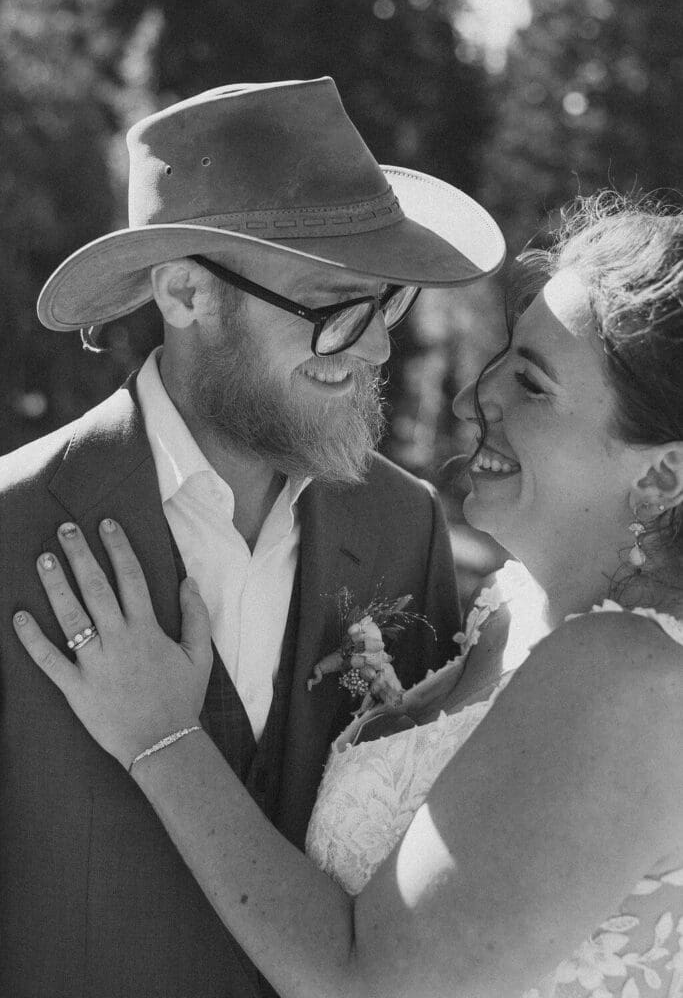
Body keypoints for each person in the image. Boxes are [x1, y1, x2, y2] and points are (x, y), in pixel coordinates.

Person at [15, 192, 683, 998]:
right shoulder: (506, 602)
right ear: (186, 292)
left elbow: (374, 977)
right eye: (332, 306)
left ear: (665, 473)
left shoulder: (421, 540)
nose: (474, 396)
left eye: (534, 386)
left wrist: (163, 740)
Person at [0, 78, 506, 998]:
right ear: (186, 292)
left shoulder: (404, 525)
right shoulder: (9, 527)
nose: (376, 350)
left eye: (384, 304)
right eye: (332, 305)